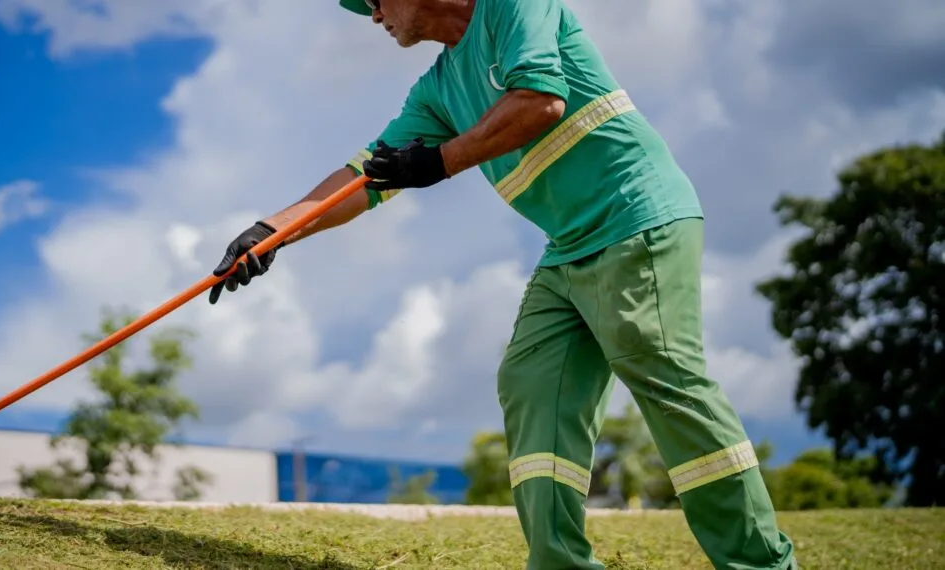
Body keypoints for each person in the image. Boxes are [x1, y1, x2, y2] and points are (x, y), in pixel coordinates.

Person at [207, 1, 798, 568]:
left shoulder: (514, 3)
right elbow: (365, 178)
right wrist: (272, 232)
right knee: (533, 383)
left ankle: (760, 564)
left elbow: (540, 102)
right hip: (569, 246)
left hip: (637, 213)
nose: (375, 17)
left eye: (374, 1)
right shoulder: (437, 92)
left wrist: (439, 162)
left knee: (661, 372)